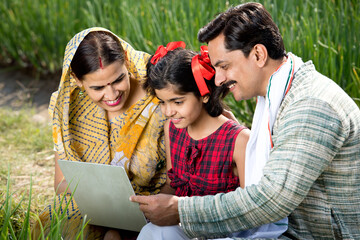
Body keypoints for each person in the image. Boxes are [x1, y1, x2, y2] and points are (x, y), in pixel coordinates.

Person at [130, 2, 360, 239]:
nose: (217, 80)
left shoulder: (311, 105)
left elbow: (271, 200)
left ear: (258, 55)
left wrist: (181, 211)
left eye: (224, 66)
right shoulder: (276, 97)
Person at [136, 42, 288, 239]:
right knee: (152, 231)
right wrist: (152, 207)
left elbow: (248, 210)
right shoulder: (172, 128)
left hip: (225, 232)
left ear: (204, 95)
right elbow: (172, 184)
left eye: (178, 102)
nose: (168, 111)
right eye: (162, 102)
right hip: (184, 225)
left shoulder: (238, 141)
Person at [32, 27, 167, 240]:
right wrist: (107, 201)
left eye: (118, 80)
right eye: (98, 88)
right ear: (77, 80)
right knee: (53, 227)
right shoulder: (68, 108)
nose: (112, 94)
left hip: (152, 206)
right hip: (92, 205)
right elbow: (61, 184)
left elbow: (180, 175)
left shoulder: (160, 94)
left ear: (126, 60)